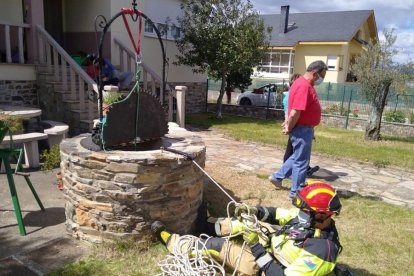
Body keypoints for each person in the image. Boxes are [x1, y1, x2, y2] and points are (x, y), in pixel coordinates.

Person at [152, 181, 343, 275]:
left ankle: (172, 242)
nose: (298, 213)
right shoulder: (309, 220)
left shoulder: (321, 252)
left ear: (323, 215)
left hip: (263, 269)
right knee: (245, 223)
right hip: (271, 246)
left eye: (304, 211)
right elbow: (279, 214)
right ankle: (207, 225)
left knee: (220, 247)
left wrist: (255, 246)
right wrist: (254, 211)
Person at [269, 60, 327, 199]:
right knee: (301, 162)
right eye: (322, 76)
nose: (322, 79)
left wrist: (289, 124)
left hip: (304, 128)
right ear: (314, 73)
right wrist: (289, 126)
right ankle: (297, 193)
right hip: (302, 129)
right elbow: (295, 111)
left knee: (296, 157)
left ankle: (277, 177)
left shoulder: (302, 84)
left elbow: (295, 110)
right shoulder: (303, 86)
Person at [282, 74, 320, 177]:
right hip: (296, 126)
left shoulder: (297, 93)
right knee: (295, 153)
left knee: (296, 153)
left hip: (298, 125)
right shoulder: (292, 95)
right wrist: (288, 126)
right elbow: (290, 112)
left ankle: (281, 175)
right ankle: (283, 175)